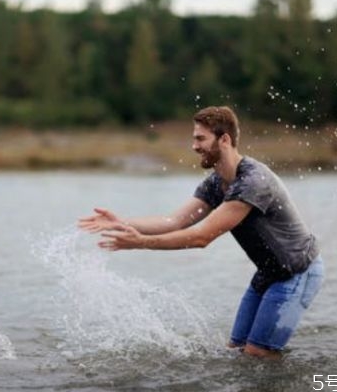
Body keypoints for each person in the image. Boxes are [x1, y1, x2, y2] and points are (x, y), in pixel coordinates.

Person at [79, 106, 324, 359]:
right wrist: (123, 223)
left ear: (224, 140)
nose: (194, 146)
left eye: (200, 139)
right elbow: (175, 221)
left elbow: (201, 237)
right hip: (269, 272)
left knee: (258, 353)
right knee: (237, 352)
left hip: (297, 271)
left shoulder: (252, 182)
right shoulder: (216, 183)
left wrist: (140, 242)